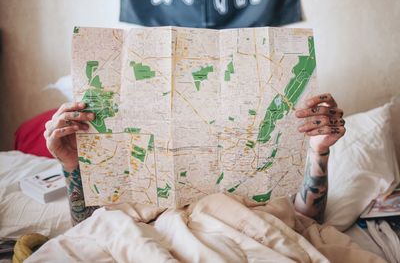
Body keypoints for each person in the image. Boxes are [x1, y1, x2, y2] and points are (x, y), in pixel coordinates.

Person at [44, 93, 345, 225]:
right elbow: (87, 227)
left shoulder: (268, 145)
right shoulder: (124, 156)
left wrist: (319, 151)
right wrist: (72, 165)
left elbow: (306, 221)